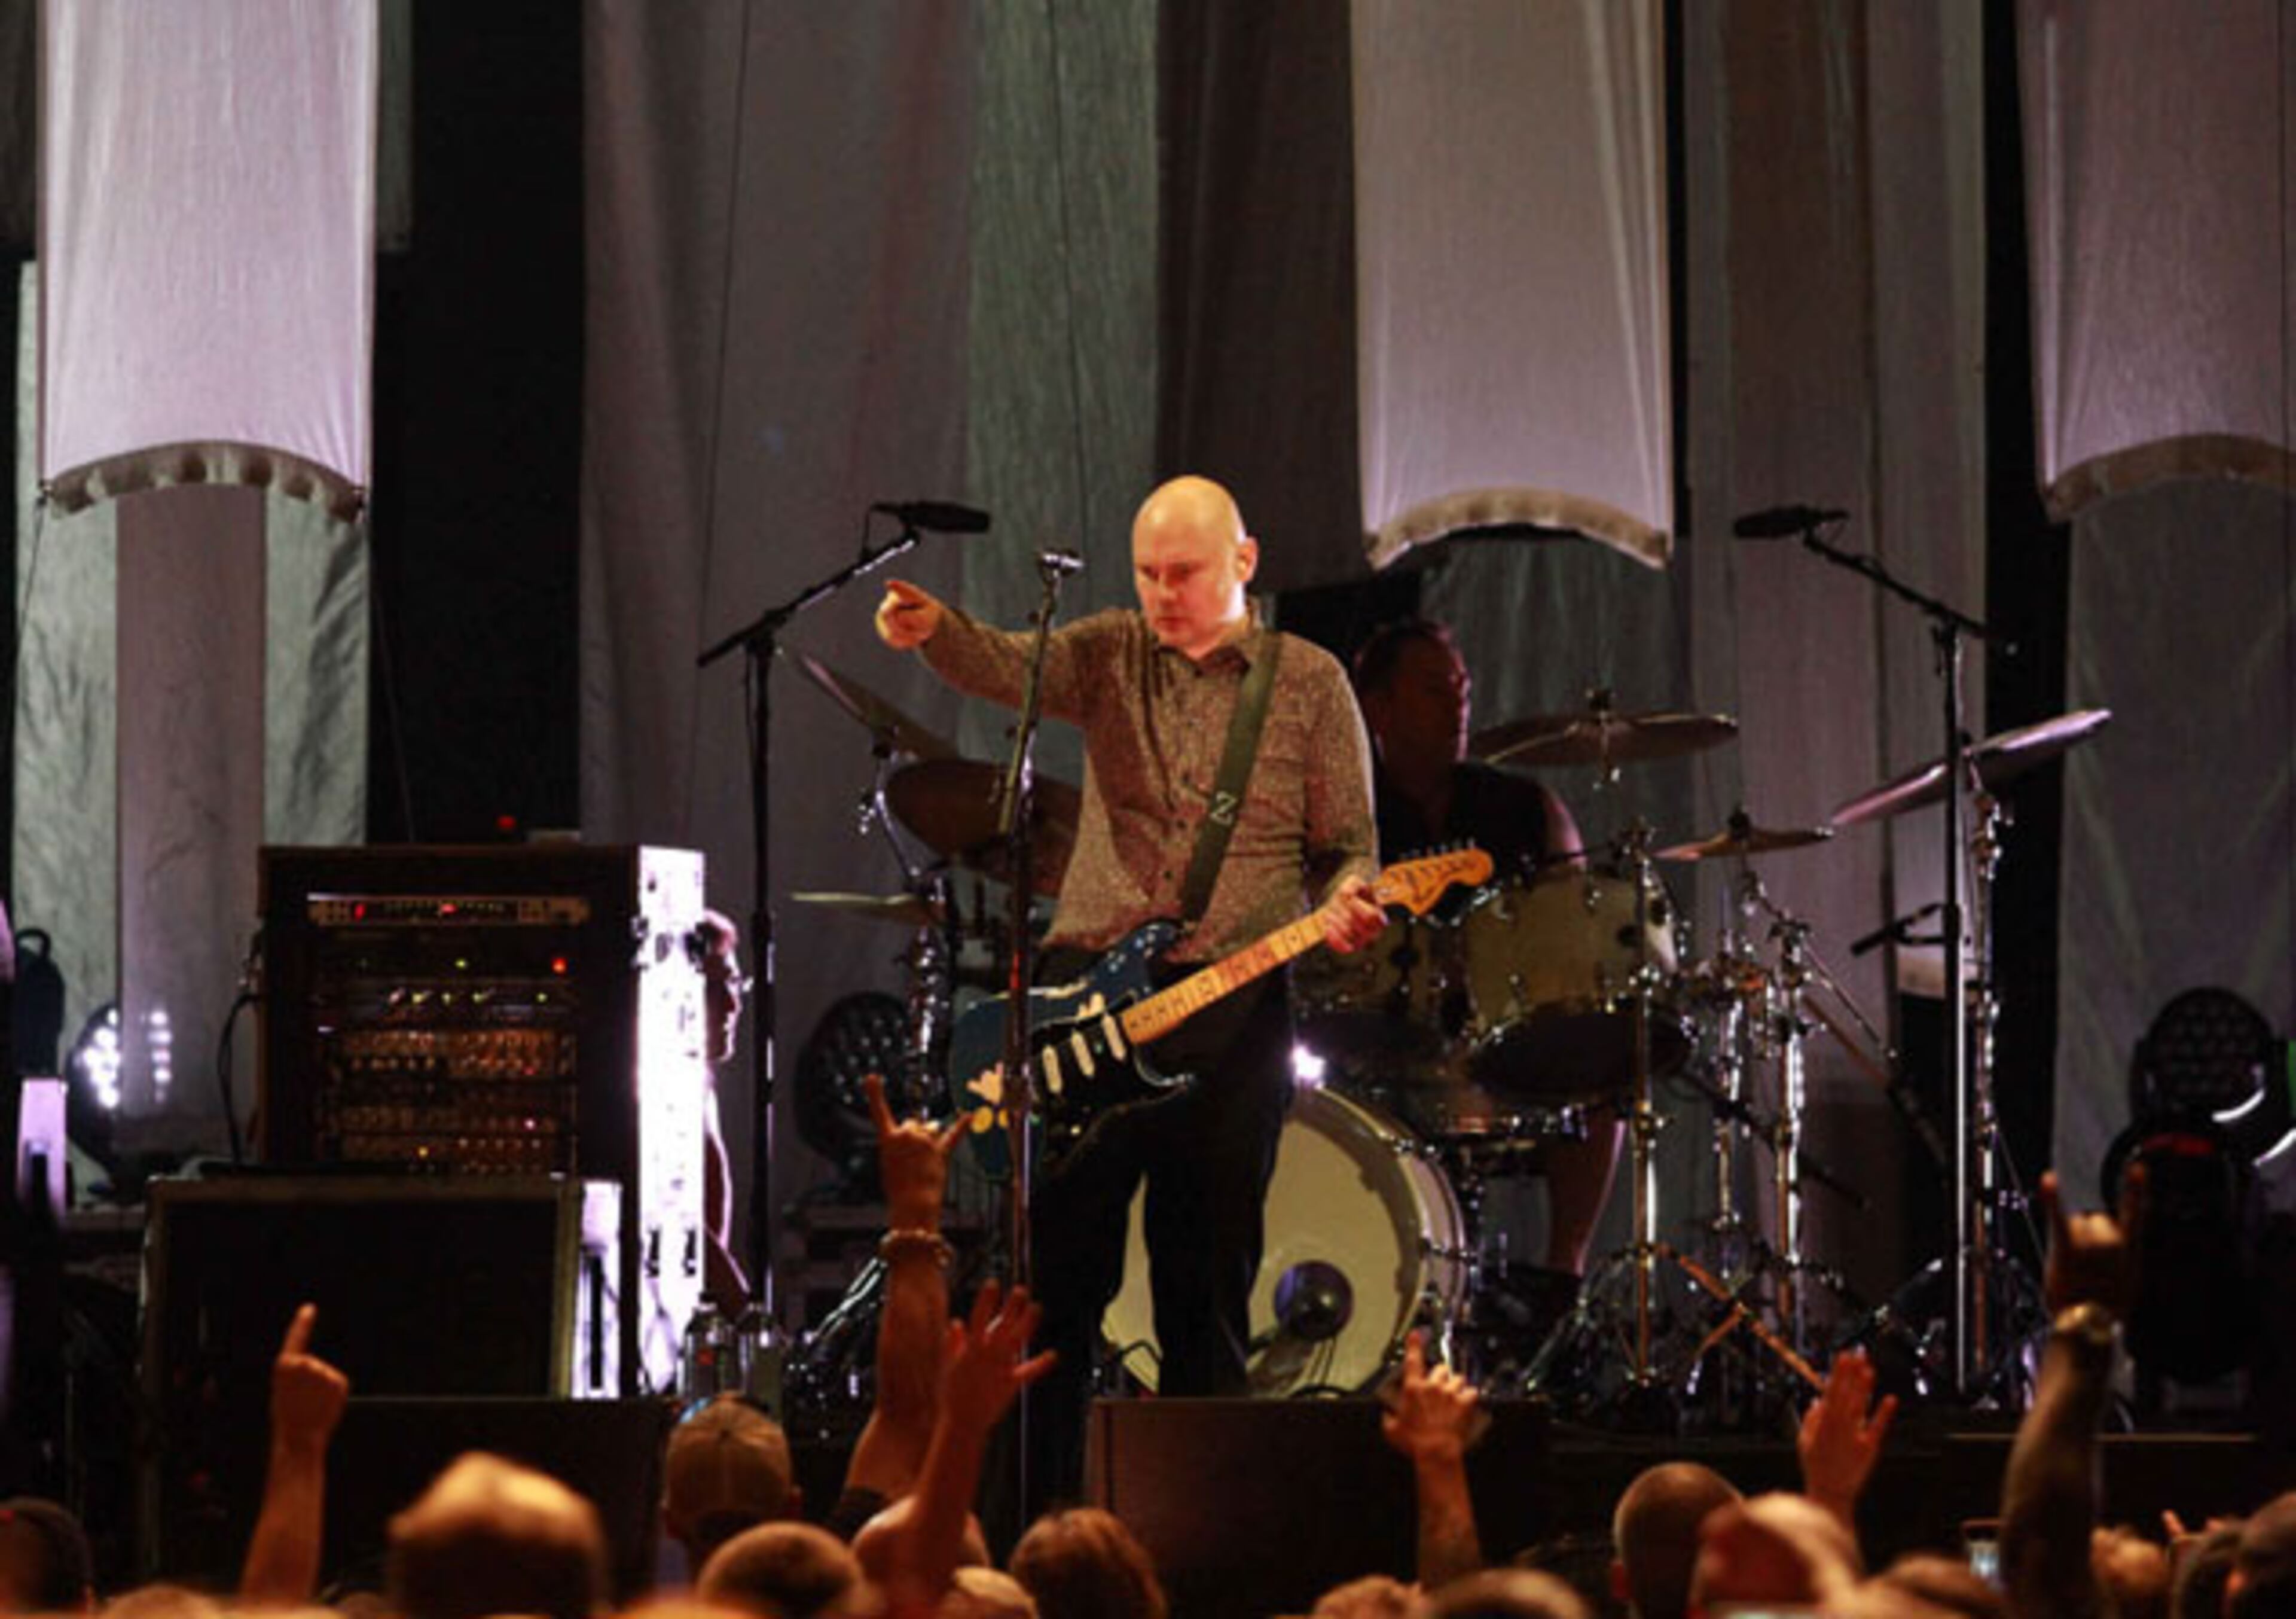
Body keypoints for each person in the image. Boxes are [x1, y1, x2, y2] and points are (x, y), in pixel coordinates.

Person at [875, 473, 1385, 1507]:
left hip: (1234, 1013)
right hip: (1088, 1001)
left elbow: (1352, 845)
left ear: (1244, 561)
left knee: (1206, 1292)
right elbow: (1009, 664)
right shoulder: (1108, 652)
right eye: (1147, 573)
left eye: (1184, 573)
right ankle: (1026, 1533)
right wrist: (936, 628)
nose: (1162, 593)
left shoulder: (1309, 681)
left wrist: (1353, 901)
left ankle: (1195, 1550)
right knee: (1050, 1292)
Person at [1348, 618, 1614, 1292]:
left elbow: (1577, 925)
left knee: (1608, 1054)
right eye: (1434, 688)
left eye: (1461, 687)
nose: (1457, 703)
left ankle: (1563, 1275)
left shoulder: (1526, 806)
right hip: (1374, 1037)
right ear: (1376, 706)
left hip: (1503, 1031)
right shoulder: (1347, 813)